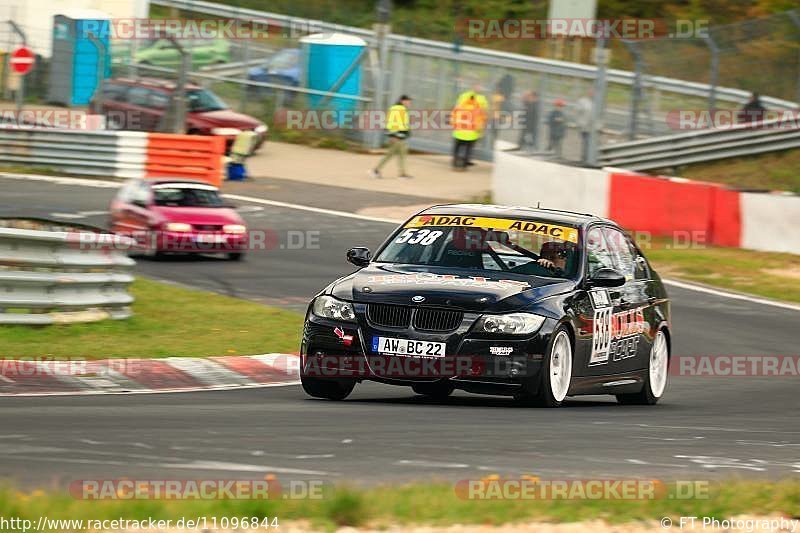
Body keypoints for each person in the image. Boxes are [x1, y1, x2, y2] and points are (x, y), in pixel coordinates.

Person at [371, 95, 413, 179]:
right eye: (408, 101)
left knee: (395, 154)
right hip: (398, 137)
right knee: (396, 155)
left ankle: (378, 170)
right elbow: (394, 123)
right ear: (402, 101)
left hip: (399, 136)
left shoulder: (396, 108)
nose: (409, 103)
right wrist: (395, 135)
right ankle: (377, 170)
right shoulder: (400, 109)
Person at [453, 84, 488, 167]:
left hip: (460, 129)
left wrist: (454, 123)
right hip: (472, 131)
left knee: (457, 147)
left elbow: (455, 111)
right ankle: (464, 163)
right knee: (468, 147)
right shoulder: (481, 100)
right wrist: (481, 127)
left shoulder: (463, 97)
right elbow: (483, 113)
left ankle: (455, 162)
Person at [575, 89, 593, 163]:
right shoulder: (583, 101)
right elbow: (577, 110)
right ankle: (584, 158)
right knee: (586, 142)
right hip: (584, 126)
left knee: (590, 143)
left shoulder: (596, 102)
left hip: (592, 127)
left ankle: (589, 158)